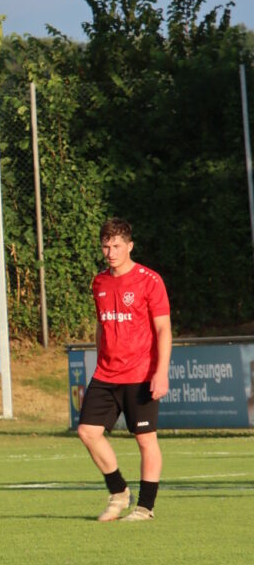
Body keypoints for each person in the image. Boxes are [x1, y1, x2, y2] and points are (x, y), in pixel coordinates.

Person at [77, 218, 171, 522]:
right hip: (106, 374)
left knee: (145, 439)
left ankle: (144, 507)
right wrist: (99, 359)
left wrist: (161, 372)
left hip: (141, 373)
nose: (111, 252)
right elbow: (101, 325)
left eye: (117, 246)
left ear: (129, 246)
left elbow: (163, 329)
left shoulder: (150, 280)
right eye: (106, 246)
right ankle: (119, 491)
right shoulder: (99, 282)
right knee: (87, 432)